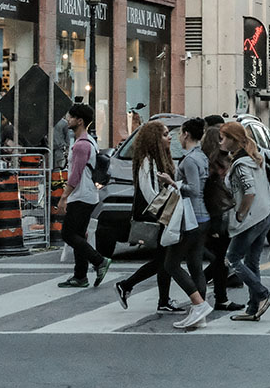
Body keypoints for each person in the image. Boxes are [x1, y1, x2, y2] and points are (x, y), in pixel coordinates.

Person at [113, 121, 179, 313]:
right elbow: (148, 191)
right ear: (154, 139)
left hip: (163, 215)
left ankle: (161, 299)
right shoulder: (147, 161)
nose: (170, 137)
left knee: (163, 259)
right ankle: (128, 285)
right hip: (158, 217)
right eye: (166, 134)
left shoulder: (160, 159)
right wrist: (165, 209)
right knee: (164, 260)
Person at [157, 117, 214, 330]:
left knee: (171, 264)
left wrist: (171, 182)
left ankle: (198, 305)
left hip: (192, 217)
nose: (178, 138)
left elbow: (194, 189)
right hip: (202, 217)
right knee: (195, 264)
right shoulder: (201, 156)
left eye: (180, 133)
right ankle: (200, 312)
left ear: (187, 134)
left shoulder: (190, 160)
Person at [221, 121, 270, 321]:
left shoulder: (240, 163)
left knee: (232, 258)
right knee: (252, 261)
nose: (221, 142)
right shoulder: (255, 157)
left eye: (223, 138)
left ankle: (263, 294)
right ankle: (254, 307)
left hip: (252, 217)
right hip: (266, 213)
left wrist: (240, 213)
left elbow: (249, 191)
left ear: (233, 140)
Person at [57, 103, 112, 289]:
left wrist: (64, 196)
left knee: (68, 234)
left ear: (79, 121)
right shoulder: (89, 141)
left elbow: (76, 174)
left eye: (71, 117)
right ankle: (80, 276)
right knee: (78, 234)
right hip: (87, 194)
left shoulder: (81, 145)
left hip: (81, 195)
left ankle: (99, 261)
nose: (68, 120)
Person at [200, 125, 242, 311]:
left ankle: (215, 295)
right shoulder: (220, 162)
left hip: (211, 214)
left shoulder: (206, 160)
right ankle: (218, 297)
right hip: (220, 214)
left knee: (219, 258)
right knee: (221, 259)